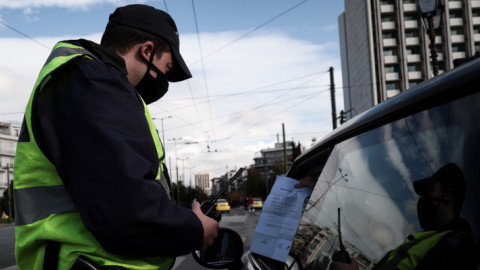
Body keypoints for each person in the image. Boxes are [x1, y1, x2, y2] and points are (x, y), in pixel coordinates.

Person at [13, 4, 218, 269]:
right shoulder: (93, 83)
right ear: (147, 51)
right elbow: (126, 209)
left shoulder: (92, 84)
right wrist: (195, 228)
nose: (163, 82)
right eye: (165, 70)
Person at [332, 163, 477, 270]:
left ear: (447, 194)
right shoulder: (432, 239)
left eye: (430, 191)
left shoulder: (456, 248)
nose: (422, 200)